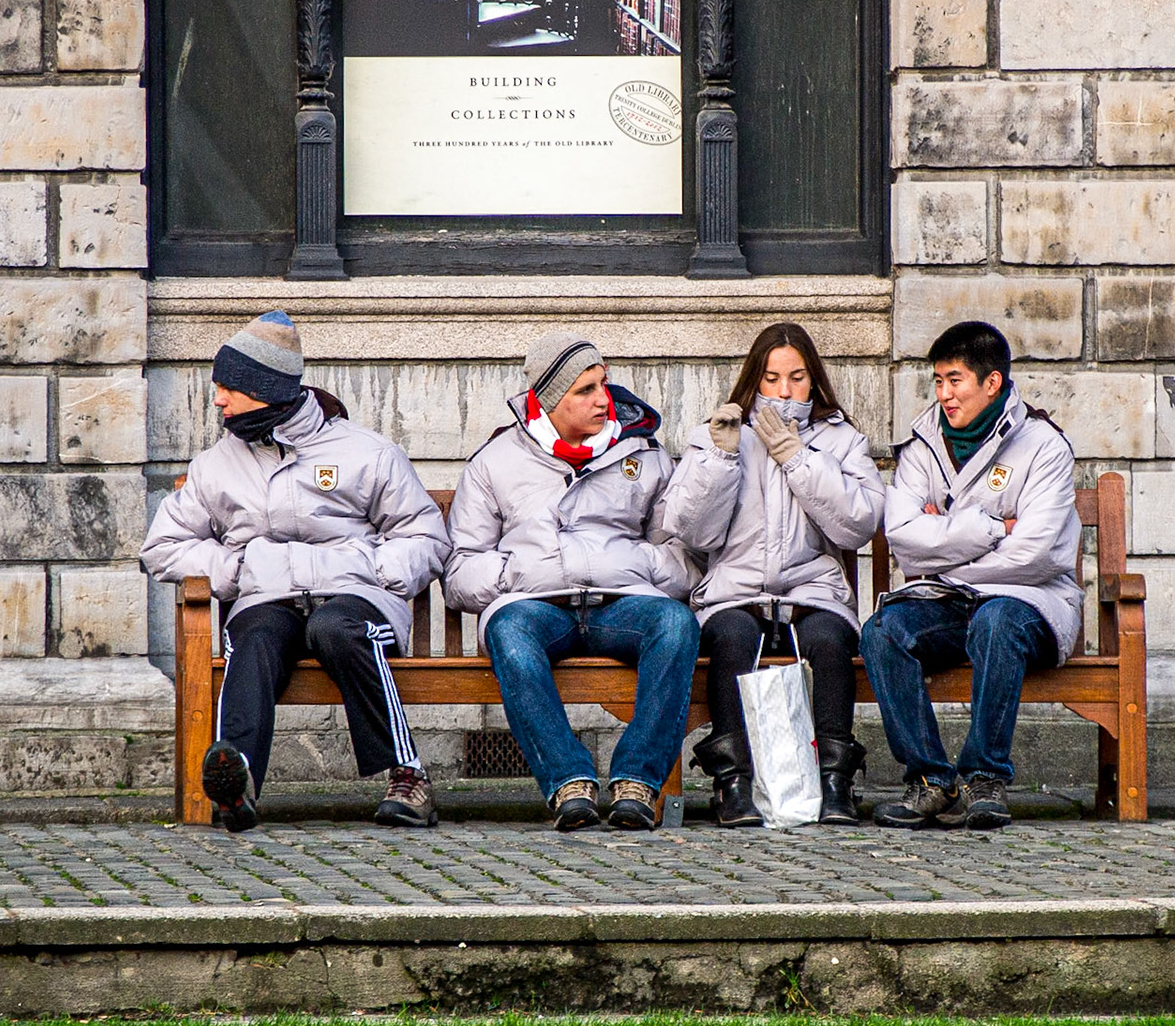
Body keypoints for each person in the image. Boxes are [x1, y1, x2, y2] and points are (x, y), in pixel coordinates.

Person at [141, 312, 451, 833]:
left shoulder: (366, 452)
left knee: (337, 629)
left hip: (355, 598)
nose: (218, 400)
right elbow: (163, 547)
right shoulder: (217, 464)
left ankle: (408, 777)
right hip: (267, 598)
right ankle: (237, 786)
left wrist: (375, 568)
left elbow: (425, 535)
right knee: (254, 638)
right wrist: (237, 568)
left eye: (228, 388)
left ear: (265, 389)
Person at [444, 331, 700, 832]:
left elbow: (682, 555)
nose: (603, 399)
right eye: (585, 390)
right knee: (509, 634)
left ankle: (637, 782)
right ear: (549, 398)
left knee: (675, 624)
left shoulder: (644, 456)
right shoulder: (495, 461)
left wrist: (632, 564)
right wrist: (518, 573)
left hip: (622, 603)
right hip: (536, 606)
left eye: (603, 385)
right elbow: (460, 569)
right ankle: (567, 781)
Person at [861, 321, 1082, 832]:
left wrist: (945, 541)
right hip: (946, 599)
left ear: (992, 383)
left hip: (1029, 602)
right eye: (937, 381)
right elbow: (904, 538)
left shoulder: (1044, 445)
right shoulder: (921, 445)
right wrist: (990, 528)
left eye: (954, 380)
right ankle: (932, 781)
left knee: (996, 620)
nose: (944, 394)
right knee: (883, 630)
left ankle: (985, 778)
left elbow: (1038, 552)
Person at [659, 323, 883, 826]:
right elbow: (690, 531)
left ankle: (834, 781)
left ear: (814, 380)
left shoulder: (841, 439)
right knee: (732, 637)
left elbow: (858, 524)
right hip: (734, 590)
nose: (785, 391)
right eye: (773, 378)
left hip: (813, 587)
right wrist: (719, 458)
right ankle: (732, 782)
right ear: (754, 382)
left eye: (798, 378)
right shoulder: (716, 434)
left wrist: (797, 458)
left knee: (828, 640)